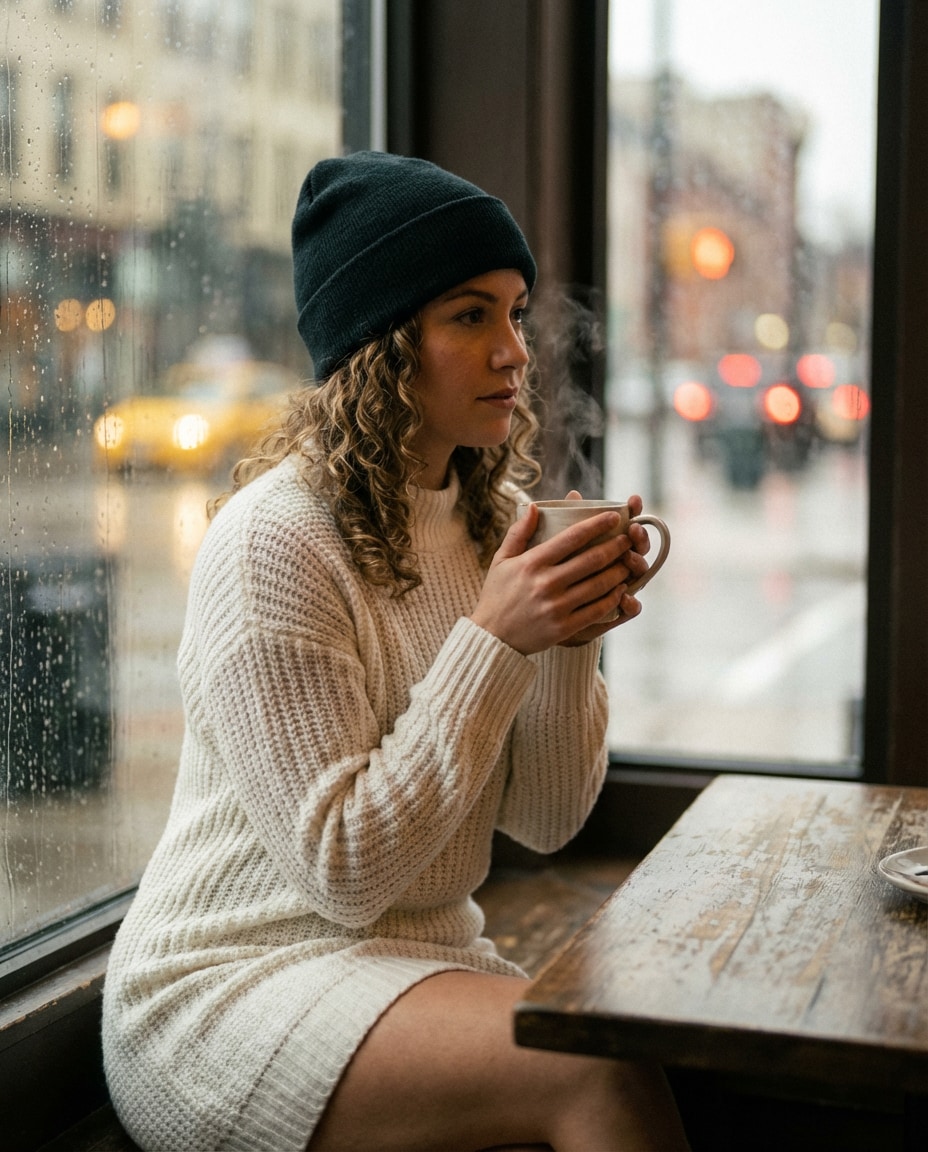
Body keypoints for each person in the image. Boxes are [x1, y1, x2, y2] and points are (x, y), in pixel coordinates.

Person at [102, 151, 689, 1152]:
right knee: (598, 1077)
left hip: (416, 964)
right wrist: (498, 636)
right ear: (381, 341)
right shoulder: (271, 541)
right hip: (233, 983)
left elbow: (547, 823)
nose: (514, 351)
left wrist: (565, 641)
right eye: (470, 316)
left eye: (515, 311)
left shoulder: (493, 521)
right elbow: (344, 872)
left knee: (638, 1047)